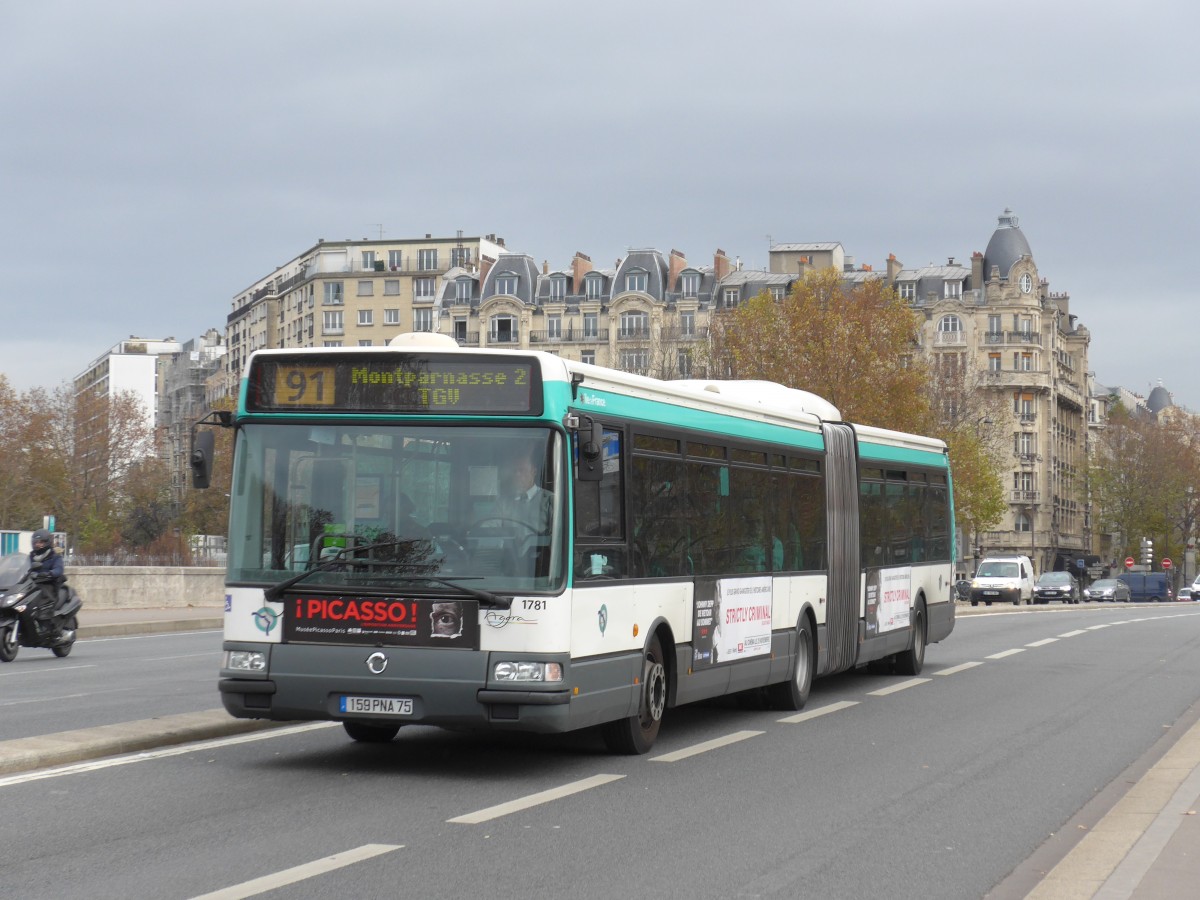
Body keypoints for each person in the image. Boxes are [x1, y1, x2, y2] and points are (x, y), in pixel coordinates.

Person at [497, 448, 554, 534]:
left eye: (521, 470)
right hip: (508, 547)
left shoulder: (550, 500)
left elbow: (558, 533)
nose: (517, 475)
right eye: (514, 471)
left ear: (533, 472)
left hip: (539, 547)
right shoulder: (504, 502)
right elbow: (490, 526)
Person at [28, 528, 66, 614]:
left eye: (40, 542)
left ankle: (45, 621)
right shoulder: (31, 556)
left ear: (47, 542)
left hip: (48, 583)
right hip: (32, 584)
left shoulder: (55, 556)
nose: (37, 545)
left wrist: (49, 573)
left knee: (44, 599)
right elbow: (23, 567)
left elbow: (59, 569)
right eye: (36, 542)